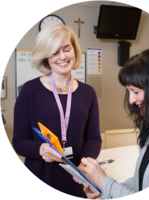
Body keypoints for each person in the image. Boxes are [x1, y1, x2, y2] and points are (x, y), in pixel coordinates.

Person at [74, 48, 149, 199]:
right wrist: (104, 192)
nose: (131, 100)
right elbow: (140, 182)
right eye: (129, 92)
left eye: (136, 92)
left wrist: (105, 183)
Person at [12, 24, 102, 198]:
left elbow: (93, 137)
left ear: (74, 50)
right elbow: (19, 141)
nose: (62, 56)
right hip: (40, 176)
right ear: (46, 56)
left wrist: (85, 164)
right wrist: (40, 149)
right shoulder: (29, 90)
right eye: (54, 52)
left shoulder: (88, 92)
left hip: (77, 178)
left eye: (67, 49)